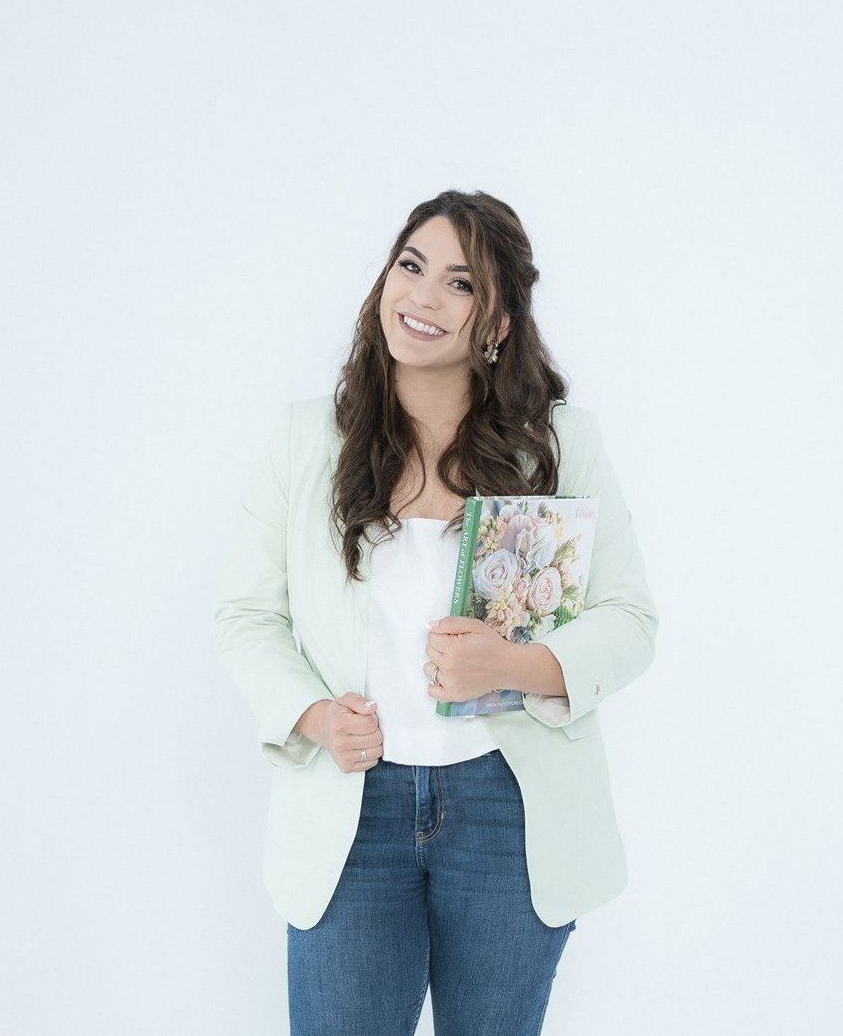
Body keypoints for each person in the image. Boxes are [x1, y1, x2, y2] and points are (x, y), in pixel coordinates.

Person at [213, 189, 660, 1035]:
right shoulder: (309, 439)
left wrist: (513, 665)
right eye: (410, 266)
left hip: (506, 808)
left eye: (459, 284)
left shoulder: (558, 447)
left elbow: (630, 618)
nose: (420, 297)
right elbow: (244, 614)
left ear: (495, 324)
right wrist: (311, 712)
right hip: (353, 808)